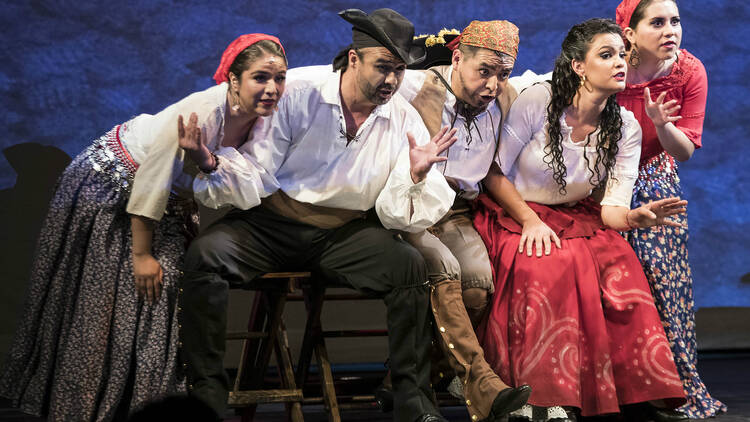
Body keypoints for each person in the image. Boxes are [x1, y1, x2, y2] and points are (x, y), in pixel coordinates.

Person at [179, 9, 458, 422]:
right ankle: (206, 398)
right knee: (205, 257)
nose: (391, 81)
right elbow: (258, 168)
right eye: (383, 68)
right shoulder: (298, 95)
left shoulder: (401, 117)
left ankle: (413, 402)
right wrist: (210, 164)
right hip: (273, 225)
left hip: (343, 233)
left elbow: (395, 211)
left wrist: (415, 175)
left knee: (408, 267)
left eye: (400, 71)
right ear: (353, 58)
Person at [0, 34, 286, 421]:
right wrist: (142, 254)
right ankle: (87, 408)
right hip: (113, 185)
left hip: (166, 200)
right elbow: (152, 179)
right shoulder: (199, 113)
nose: (272, 89)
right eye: (260, 78)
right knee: (116, 298)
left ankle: (142, 405)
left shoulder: (262, 119)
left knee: (161, 297)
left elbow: (244, 176)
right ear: (233, 80)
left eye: (279, 78)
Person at [472, 18, 687, 420]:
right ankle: (544, 397)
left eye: (622, 55)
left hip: (578, 216)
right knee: (552, 263)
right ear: (578, 67)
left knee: (621, 262)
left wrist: (634, 217)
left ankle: (635, 394)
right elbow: (494, 173)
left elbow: (611, 209)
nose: (620, 63)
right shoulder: (538, 101)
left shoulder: (624, 126)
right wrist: (531, 221)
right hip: (515, 210)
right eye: (606, 55)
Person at [395, 20, 531, 422]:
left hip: (456, 210)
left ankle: (407, 380)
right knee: (447, 272)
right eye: (483, 71)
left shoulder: (506, 98)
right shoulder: (417, 86)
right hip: (412, 205)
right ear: (457, 57)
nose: (492, 84)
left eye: (502, 74)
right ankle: (483, 387)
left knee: (477, 286)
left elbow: (548, 83)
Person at [615, 0, 725, 418]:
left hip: (652, 170)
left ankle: (671, 385)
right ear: (629, 32)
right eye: (657, 23)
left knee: (659, 268)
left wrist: (662, 124)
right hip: (601, 173)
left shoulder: (689, 71)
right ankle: (614, 387)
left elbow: (686, 151)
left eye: (675, 21)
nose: (670, 31)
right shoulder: (610, 63)